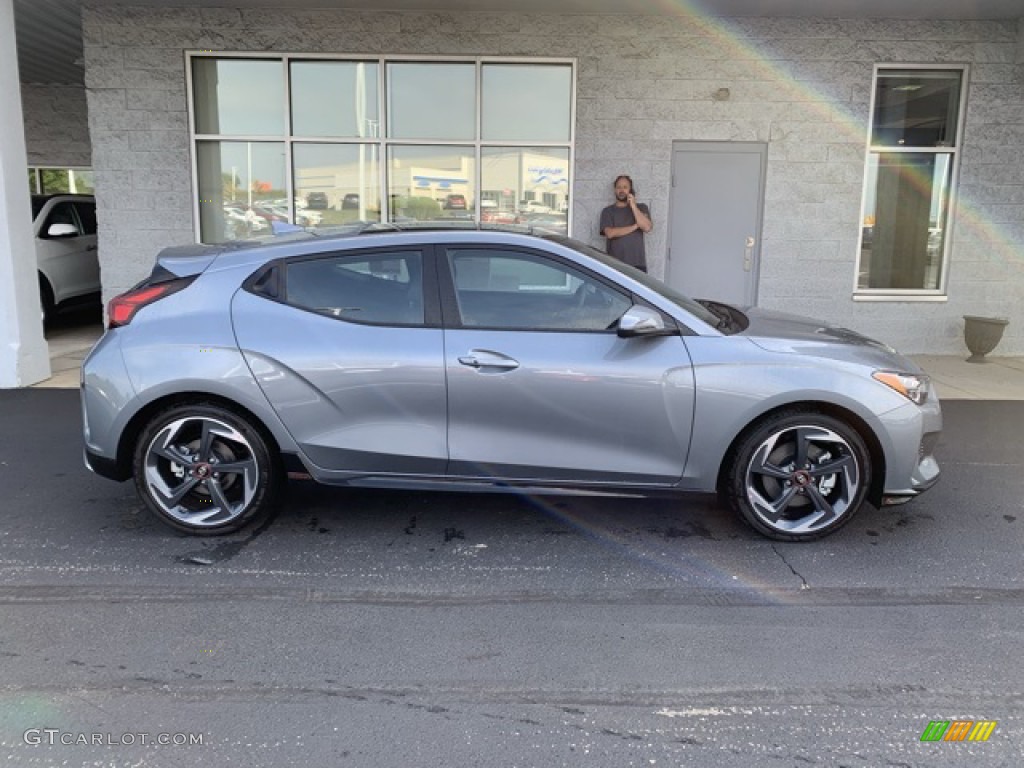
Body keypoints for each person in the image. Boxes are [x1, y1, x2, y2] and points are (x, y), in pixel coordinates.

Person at [599, 175, 653, 272]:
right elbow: (610, 233)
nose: (621, 190)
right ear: (615, 190)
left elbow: (647, 227)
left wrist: (633, 206)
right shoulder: (608, 211)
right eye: (619, 187)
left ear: (630, 190)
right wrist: (636, 226)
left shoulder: (641, 208)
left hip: (638, 265)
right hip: (614, 265)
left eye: (625, 187)